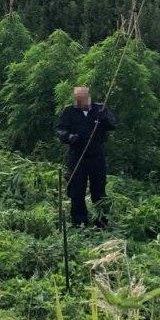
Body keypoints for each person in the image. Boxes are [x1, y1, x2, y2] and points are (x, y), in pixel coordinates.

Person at [56, 86, 116, 228]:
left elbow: (113, 125)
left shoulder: (100, 109)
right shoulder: (69, 111)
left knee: (99, 191)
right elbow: (59, 129)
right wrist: (69, 136)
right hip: (77, 156)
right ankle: (79, 222)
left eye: (83, 98)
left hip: (96, 156)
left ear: (89, 96)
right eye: (78, 100)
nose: (81, 102)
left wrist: (104, 119)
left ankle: (101, 222)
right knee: (76, 191)